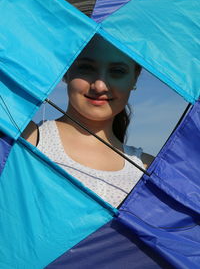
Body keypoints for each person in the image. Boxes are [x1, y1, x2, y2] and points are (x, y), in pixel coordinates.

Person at [23, 35, 154, 207]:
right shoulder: (27, 139)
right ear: (67, 70)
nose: (100, 86)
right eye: (86, 68)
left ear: (134, 78)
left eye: (117, 71)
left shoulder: (149, 169)